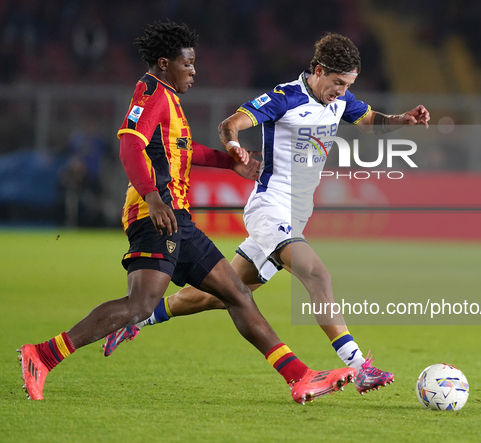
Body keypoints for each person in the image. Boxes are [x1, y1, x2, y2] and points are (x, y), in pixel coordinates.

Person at [17, 21, 356, 405]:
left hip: (178, 219)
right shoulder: (150, 94)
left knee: (238, 294)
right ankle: (43, 355)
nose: (194, 72)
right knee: (140, 304)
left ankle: (301, 376)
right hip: (156, 215)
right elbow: (130, 147)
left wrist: (230, 164)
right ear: (165, 63)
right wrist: (152, 198)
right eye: (188, 64)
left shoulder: (168, 97)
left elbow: (183, 149)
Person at [104, 32, 430, 395]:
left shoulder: (340, 100)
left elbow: (370, 119)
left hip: (297, 215)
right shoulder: (285, 97)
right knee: (317, 274)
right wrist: (233, 148)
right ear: (319, 70)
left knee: (223, 294)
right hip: (269, 207)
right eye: (337, 83)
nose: (342, 91)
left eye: (348, 84)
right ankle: (359, 366)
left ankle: (139, 318)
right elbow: (230, 124)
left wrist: (403, 118)